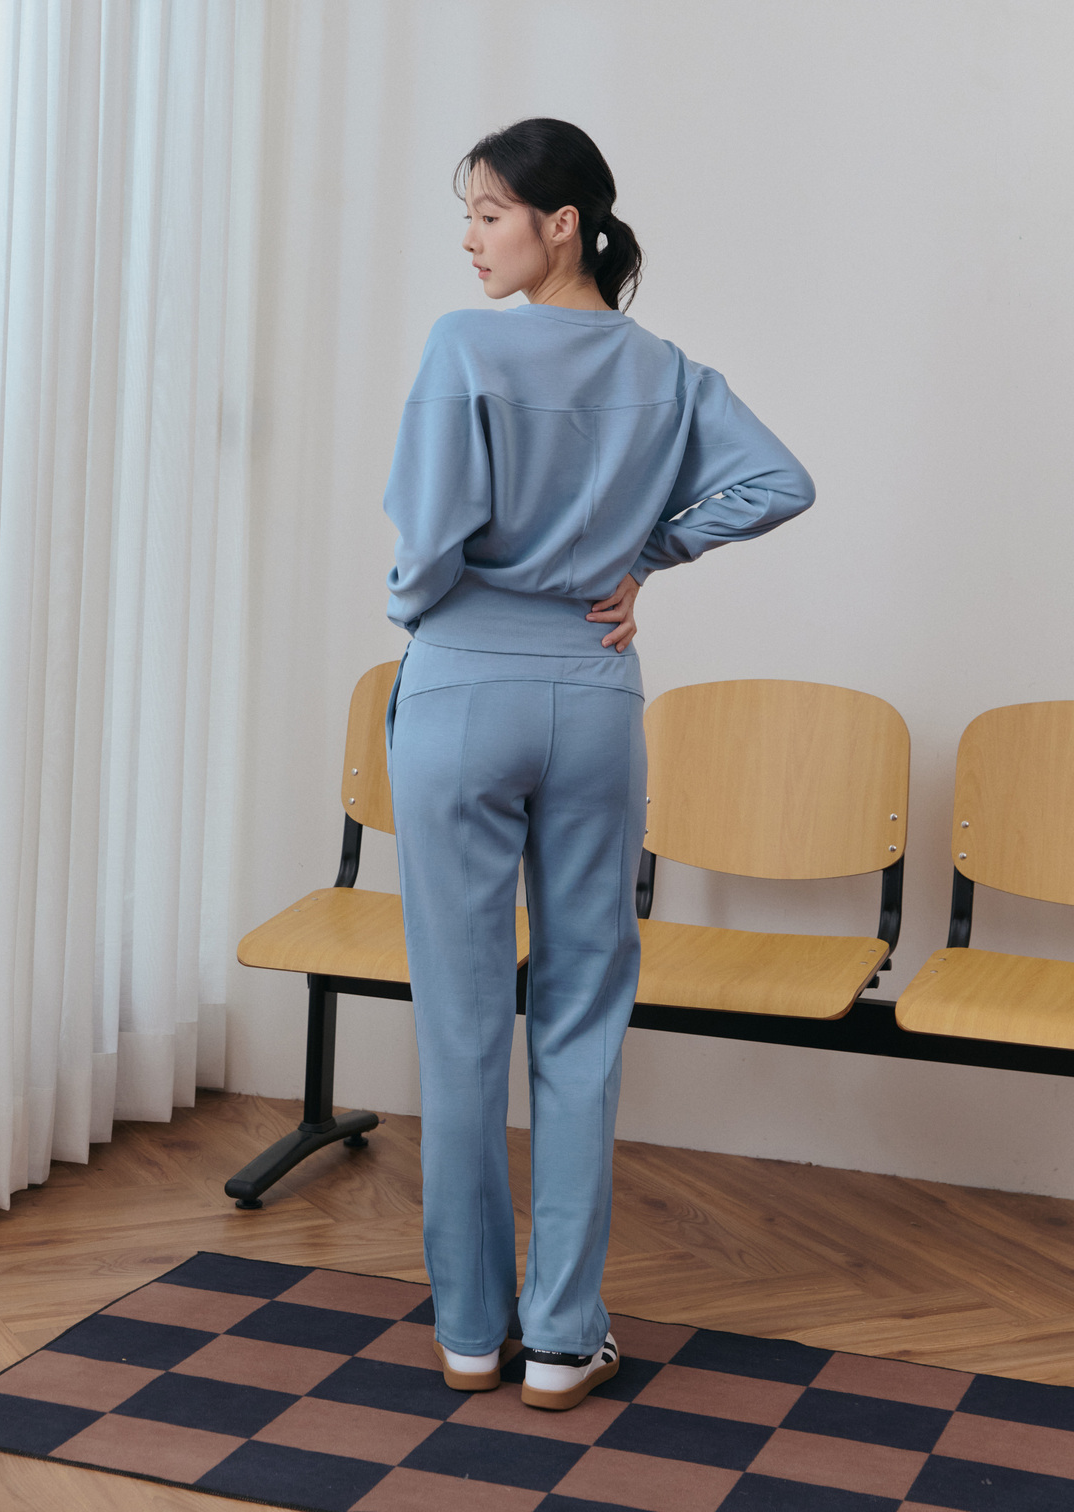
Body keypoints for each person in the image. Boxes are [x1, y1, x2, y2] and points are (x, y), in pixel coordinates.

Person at [382, 117, 814, 1411]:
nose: (471, 239)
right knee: (581, 1016)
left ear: (561, 223)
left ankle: (472, 1332)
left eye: (490, 214)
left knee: (463, 1025)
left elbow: (428, 544)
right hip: (591, 697)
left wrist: (424, 609)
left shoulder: (463, 349)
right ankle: (566, 1340)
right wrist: (641, 561)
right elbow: (778, 481)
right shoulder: (666, 371)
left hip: (464, 688)